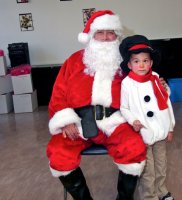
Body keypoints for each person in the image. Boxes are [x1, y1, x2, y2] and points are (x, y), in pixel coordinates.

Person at [46, 10, 147, 200]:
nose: (106, 37)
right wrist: (66, 120)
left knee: (133, 147)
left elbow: (144, 83)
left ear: (117, 35)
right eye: (100, 32)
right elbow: (58, 94)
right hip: (78, 123)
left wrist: (159, 85)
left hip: (116, 121)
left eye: (111, 32)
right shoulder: (74, 61)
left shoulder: (126, 62)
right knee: (58, 152)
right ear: (91, 35)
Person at [119, 35, 175, 200]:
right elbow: (124, 107)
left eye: (145, 61)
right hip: (142, 132)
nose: (141, 65)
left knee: (161, 165)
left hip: (160, 131)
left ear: (150, 63)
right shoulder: (127, 83)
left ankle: (161, 191)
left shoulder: (156, 78)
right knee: (147, 169)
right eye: (136, 61)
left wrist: (170, 127)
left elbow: (166, 103)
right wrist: (132, 120)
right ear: (129, 65)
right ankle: (149, 196)